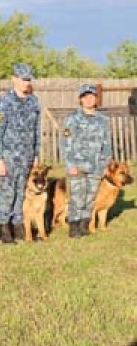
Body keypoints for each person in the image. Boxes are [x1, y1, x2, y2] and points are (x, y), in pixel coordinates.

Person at [0, 63, 42, 243]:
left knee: (21, 192)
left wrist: (36, 155)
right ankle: (5, 228)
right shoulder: (4, 101)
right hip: (8, 157)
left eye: (28, 79)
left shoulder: (33, 101)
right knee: (7, 193)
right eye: (23, 79)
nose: (26, 83)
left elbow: (37, 129)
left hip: (27, 157)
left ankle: (19, 225)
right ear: (14, 79)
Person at [61, 83, 112, 238]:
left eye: (92, 96)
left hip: (96, 165)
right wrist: (70, 165)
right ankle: (74, 226)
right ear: (80, 99)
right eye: (86, 97)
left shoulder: (102, 120)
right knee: (77, 196)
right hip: (77, 165)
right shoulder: (72, 119)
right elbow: (66, 143)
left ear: (96, 99)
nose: (89, 99)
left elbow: (107, 144)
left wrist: (105, 164)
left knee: (90, 197)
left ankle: (85, 224)